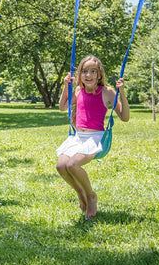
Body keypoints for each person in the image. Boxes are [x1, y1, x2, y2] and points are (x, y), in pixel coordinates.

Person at [56, 55, 130, 220]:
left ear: (99, 75)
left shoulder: (107, 92)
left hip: (95, 138)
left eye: (92, 71)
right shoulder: (78, 91)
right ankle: (80, 191)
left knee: (73, 164)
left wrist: (122, 93)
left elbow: (125, 117)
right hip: (78, 137)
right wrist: (65, 87)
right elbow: (62, 106)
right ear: (80, 74)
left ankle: (91, 196)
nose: (88, 75)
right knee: (61, 166)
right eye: (84, 71)